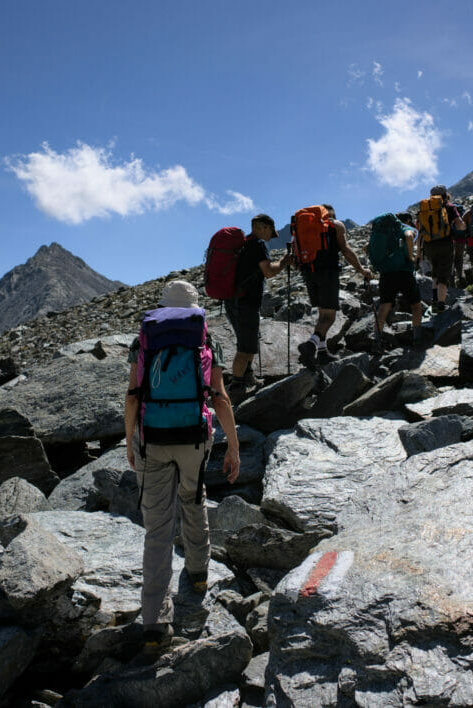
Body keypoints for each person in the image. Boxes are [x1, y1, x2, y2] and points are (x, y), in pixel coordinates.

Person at [125, 280, 240, 652]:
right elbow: (219, 397)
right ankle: (199, 572)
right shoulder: (206, 338)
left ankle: (155, 623)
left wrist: (131, 440)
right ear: (194, 306)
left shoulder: (144, 337)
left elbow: (132, 395)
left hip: (152, 439)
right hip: (193, 436)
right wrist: (233, 447)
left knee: (157, 527)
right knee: (193, 498)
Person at [224, 214, 293, 402]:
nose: (272, 235)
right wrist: (284, 262)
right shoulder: (258, 244)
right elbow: (269, 272)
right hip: (246, 302)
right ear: (261, 227)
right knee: (245, 346)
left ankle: (248, 377)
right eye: (271, 230)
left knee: (247, 341)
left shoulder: (243, 244)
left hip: (233, 300)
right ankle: (236, 386)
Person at [297, 204, 373, 367]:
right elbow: (345, 250)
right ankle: (311, 345)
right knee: (329, 317)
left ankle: (323, 353)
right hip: (328, 273)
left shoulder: (305, 228)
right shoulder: (336, 225)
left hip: (309, 273)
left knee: (322, 315)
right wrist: (361, 269)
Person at [374, 213, 425, 349]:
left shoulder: (382, 231)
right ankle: (417, 338)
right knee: (416, 305)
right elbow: (409, 236)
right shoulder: (404, 228)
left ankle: (376, 341)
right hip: (403, 272)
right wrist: (410, 257)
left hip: (386, 273)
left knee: (385, 305)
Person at [420, 185, 465, 313]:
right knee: (443, 276)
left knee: (435, 273)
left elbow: (421, 229)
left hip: (429, 245)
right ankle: (440, 304)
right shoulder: (450, 207)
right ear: (446, 195)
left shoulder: (425, 208)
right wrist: (463, 228)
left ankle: (434, 303)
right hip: (445, 244)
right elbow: (460, 224)